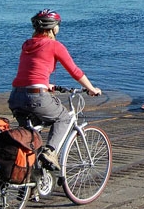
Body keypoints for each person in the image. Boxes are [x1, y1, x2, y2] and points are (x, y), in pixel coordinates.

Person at [8, 9, 101, 170]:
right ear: (53, 28)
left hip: (16, 96)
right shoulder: (55, 45)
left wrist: (46, 84)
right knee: (63, 118)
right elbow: (75, 71)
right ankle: (50, 152)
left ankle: (32, 183)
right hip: (36, 97)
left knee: (30, 138)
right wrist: (91, 88)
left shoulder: (27, 45)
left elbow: (32, 69)